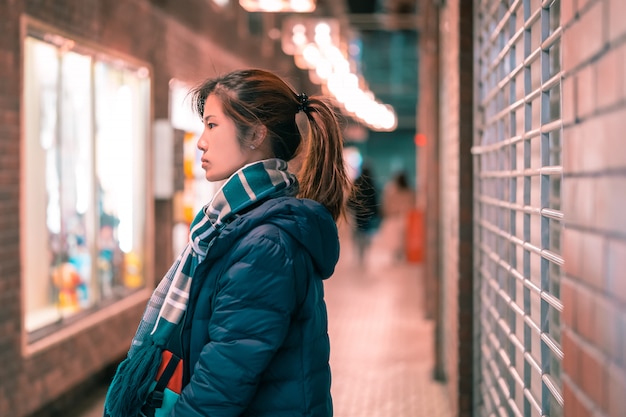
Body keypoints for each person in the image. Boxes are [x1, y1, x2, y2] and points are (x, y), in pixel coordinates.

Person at [103, 68, 349, 417]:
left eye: (212, 125)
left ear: (256, 134)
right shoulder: (234, 223)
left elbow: (221, 383)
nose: (201, 140)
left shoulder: (266, 243)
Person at [346, 163, 380, 266]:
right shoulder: (371, 183)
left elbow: (351, 199)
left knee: (358, 234)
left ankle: (359, 255)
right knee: (366, 234)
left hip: (358, 213)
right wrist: (376, 212)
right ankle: (364, 255)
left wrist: (350, 207)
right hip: (368, 213)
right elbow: (375, 200)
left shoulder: (357, 182)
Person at [381, 170, 415, 262]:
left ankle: (397, 255)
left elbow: (387, 204)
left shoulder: (391, 190)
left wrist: (387, 212)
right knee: (402, 238)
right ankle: (401, 254)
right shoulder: (409, 190)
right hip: (405, 217)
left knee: (395, 239)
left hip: (395, 217)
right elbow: (412, 203)